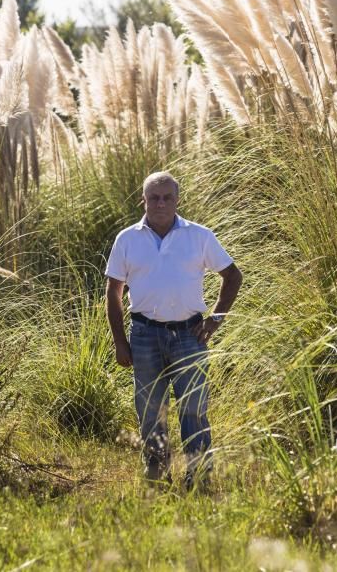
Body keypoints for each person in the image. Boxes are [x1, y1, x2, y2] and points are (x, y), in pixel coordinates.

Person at [105, 171, 243, 489]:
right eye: (154, 197)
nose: (161, 203)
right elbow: (113, 293)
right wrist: (119, 342)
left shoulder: (200, 236)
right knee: (151, 411)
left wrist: (215, 320)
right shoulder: (127, 239)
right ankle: (157, 476)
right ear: (144, 200)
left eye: (167, 197)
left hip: (189, 335)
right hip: (144, 336)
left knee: (194, 409)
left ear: (178, 200)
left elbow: (233, 276)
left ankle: (199, 477)